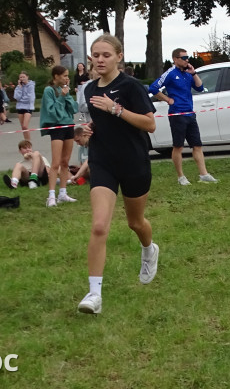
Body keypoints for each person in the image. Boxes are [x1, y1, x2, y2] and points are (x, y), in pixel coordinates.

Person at [78, 33, 159, 315]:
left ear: (119, 57)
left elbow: (150, 125)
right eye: (95, 55)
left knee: (135, 223)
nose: (99, 60)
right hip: (102, 162)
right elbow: (93, 124)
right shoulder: (89, 89)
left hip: (133, 161)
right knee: (100, 226)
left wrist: (116, 109)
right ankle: (94, 295)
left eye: (106, 55)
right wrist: (85, 133)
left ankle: (149, 250)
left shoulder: (131, 86)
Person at [148, 49, 217, 185]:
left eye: (188, 57)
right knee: (178, 146)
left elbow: (200, 87)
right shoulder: (170, 73)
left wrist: (194, 73)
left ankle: (203, 174)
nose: (187, 60)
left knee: (197, 145)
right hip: (177, 114)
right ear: (175, 59)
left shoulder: (187, 74)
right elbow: (153, 88)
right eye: (184, 57)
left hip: (190, 113)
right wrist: (168, 99)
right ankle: (181, 177)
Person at [40, 65, 81, 206]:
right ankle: (51, 196)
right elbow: (52, 111)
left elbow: (74, 108)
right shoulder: (49, 91)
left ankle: (63, 193)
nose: (67, 78)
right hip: (57, 127)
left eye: (68, 75)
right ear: (56, 76)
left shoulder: (65, 90)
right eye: (64, 75)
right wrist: (62, 97)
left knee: (65, 162)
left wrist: (67, 95)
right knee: (56, 163)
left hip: (69, 126)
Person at [13, 72, 36, 143]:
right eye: (20, 77)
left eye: (23, 77)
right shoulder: (18, 87)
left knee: (25, 126)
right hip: (20, 107)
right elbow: (16, 97)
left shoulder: (31, 86)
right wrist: (19, 87)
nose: (22, 79)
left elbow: (30, 98)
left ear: (27, 77)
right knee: (23, 127)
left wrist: (21, 99)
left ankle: (29, 142)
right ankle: (26, 141)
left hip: (28, 107)